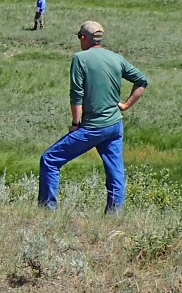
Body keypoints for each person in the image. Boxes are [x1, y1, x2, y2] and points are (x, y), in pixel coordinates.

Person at [38, 21, 148, 214]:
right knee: (115, 172)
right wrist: (125, 105)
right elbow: (142, 81)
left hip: (93, 127)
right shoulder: (116, 58)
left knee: (50, 160)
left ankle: (47, 210)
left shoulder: (80, 59)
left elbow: (76, 94)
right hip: (114, 125)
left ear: (83, 38)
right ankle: (114, 215)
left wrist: (75, 124)